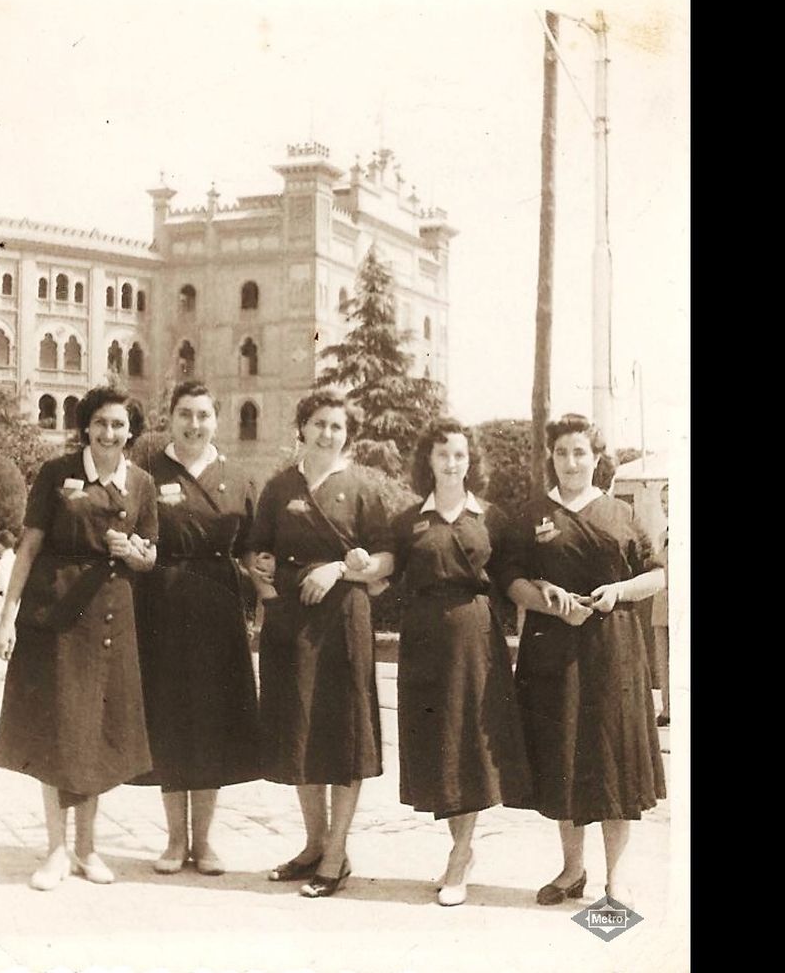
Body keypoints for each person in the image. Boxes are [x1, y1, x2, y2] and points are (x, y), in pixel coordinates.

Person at [0, 386, 157, 891]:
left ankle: (88, 849)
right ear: (87, 426)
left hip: (110, 620)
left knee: (98, 732)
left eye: (120, 425)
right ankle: (56, 851)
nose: (110, 433)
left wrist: (132, 550)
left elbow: (151, 556)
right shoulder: (55, 474)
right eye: (101, 424)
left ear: (131, 431)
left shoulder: (143, 483)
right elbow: (28, 547)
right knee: (58, 732)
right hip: (55, 619)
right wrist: (5, 617)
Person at [507, 414, 666, 908]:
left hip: (613, 653)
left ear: (596, 457)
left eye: (580, 452)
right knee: (564, 757)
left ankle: (614, 880)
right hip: (553, 653)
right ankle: (572, 870)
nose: (570, 462)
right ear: (550, 458)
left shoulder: (619, 513)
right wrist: (544, 597)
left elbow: (658, 575)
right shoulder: (533, 513)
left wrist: (618, 591)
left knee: (614, 760)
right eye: (561, 453)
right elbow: (510, 579)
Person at [245, 391, 394, 899]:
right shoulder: (279, 487)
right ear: (302, 428)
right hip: (291, 622)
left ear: (346, 434)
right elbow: (255, 549)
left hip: (345, 622)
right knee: (301, 731)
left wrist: (339, 568)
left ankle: (336, 856)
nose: (328, 433)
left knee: (344, 735)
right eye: (319, 424)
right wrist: (264, 581)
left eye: (337, 426)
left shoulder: (362, 487)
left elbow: (387, 558)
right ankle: (314, 844)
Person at [391, 419, 532, 907]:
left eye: (459, 455)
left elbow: (514, 577)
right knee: (440, 744)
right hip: (422, 640)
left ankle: (460, 854)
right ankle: (460, 847)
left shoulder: (491, 517)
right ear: (427, 460)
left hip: (475, 639)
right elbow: (385, 575)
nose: (452, 463)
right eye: (442, 454)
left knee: (468, 742)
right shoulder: (409, 518)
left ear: (470, 462)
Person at [132, 381, 260, 875]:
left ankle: (203, 843)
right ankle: (172, 841)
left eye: (204, 415)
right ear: (171, 418)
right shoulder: (146, 474)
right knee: (169, 720)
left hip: (217, 606)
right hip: (161, 605)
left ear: (216, 420)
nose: (194, 424)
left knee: (210, 722)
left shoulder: (238, 477)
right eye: (185, 414)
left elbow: (252, 549)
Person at [650, 483, 670, 726]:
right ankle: (667, 709)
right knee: (662, 658)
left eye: (671, 502)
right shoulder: (662, 536)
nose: (666, 508)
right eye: (663, 503)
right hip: (662, 603)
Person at [0, 529, 17, 614]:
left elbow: (4, 585)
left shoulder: (2, 562)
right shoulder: (16, 560)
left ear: (0, 545)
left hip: (2, 601)